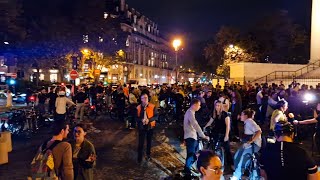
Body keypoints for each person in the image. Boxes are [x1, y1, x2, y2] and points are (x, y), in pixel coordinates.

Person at [230, 109, 262, 180]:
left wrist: (252, 140)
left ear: (246, 116)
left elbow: (259, 131)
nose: (240, 116)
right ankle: (238, 170)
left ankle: (236, 176)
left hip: (254, 145)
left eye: (241, 114)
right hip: (248, 144)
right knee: (237, 156)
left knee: (242, 159)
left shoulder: (249, 121)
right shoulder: (247, 122)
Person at [203, 100, 233, 170]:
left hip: (223, 133)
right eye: (216, 106)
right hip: (216, 132)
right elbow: (210, 121)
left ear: (221, 106)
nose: (217, 107)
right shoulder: (215, 114)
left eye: (218, 105)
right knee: (213, 146)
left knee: (227, 149)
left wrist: (226, 135)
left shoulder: (225, 114)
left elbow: (228, 126)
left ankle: (231, 164)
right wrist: (205, 127)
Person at [183, 99, 209, 177]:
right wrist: (203, 135)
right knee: (192, 155)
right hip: (191, 137)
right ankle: (187, 172)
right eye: (199, 105)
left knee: (193, 154)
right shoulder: (190, 112)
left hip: (191, 136)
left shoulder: (190, 112)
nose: (200, 107)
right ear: (194, 105)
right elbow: (195, 124)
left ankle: (187, 169)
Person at [136, 93, 158, 164]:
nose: (145, 99)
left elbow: (156, 116)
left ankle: (148, 154)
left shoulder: (152, 106)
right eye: (143, 98)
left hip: (150, 127)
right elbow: (136, 118)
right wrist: (141, 120)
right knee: (141, 143)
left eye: (146, 98)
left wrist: (149, 119)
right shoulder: (138, 107)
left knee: (149, 142)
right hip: (142, 127)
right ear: (141, 99)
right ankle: (139, 158)